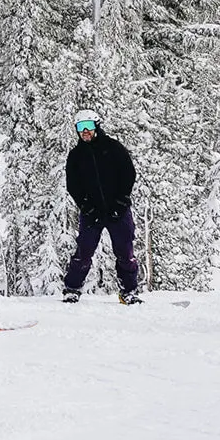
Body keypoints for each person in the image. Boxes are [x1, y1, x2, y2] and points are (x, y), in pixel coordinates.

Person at [61, 112, 143, 304]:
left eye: (88, 126)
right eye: (80, 127)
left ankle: (128, 291)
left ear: (97, 126)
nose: (85, 131)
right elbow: (73, 185)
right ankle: (72, 289)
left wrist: (121, 202)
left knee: (125, 253)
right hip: (92, 214)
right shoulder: (76, 155)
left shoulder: (114, 148)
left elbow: (128, 174)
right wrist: (86, 207)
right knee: (83, 252)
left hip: (118, 212)